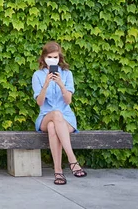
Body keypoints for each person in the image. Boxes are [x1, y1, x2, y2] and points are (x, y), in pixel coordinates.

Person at [32, 41, 87, 185]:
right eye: (50, 57)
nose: (53, 60)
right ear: (44, 58)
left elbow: (68, 101)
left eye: (55, 57)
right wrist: (46, 84)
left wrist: (61, 84)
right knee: (55, 115)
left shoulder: (67, 74)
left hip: (66, 118)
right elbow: (40, 102)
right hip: (45, 116)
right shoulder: (37, 75)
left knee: (53, 127)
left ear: (60, 58)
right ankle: (72, 160)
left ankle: (58, 172)